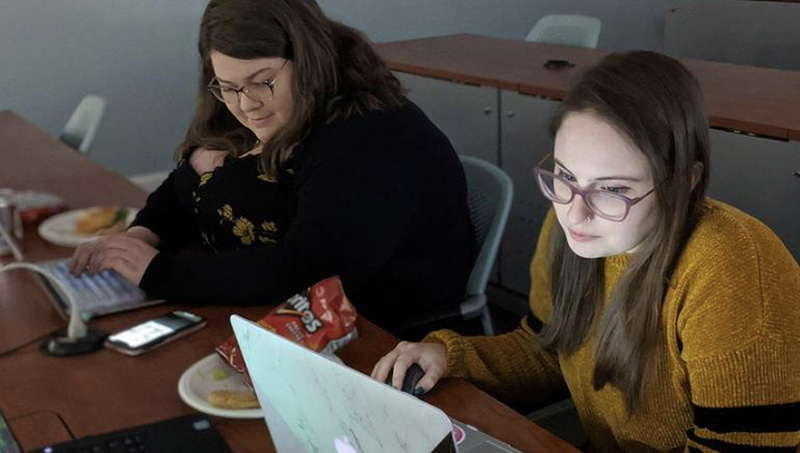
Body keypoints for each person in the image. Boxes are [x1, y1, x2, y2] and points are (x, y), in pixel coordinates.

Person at [372, 51, 800, 451]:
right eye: (564, 175)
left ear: (684, 182)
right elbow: (549, 352)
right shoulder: (571, 223)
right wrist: (451, 356)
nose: (574, 213)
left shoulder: (731, 271)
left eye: (613, 189)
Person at [69, 0, 475, 336]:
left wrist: (160, 272)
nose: (245, 105)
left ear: (308, 58)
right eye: (227, 87)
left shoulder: (369, 135)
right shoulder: (261, 99)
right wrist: (143, 235)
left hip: (378, 333)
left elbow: (308, 270)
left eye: (261, 81)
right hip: (272, 312)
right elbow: (186, 184)